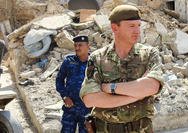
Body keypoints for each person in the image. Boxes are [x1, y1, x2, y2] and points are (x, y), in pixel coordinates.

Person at [80, 5, 164, 133]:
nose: (137, 31)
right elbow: (90, 99)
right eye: (131, 26)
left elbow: (152, 87)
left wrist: (111, 88)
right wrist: (137, 95)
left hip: (141, 129)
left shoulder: (149, 54)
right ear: (115, 28)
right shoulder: (98, 58)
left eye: (138, 26)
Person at [56, 35, 90, 133]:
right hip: (70, 107)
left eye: (80, 45)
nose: (77, 48)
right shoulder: (69, 61)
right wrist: (65, 96)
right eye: (75, 45)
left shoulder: (94, 62)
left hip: (87, 109)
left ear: (88, 46)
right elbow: (59, 80)